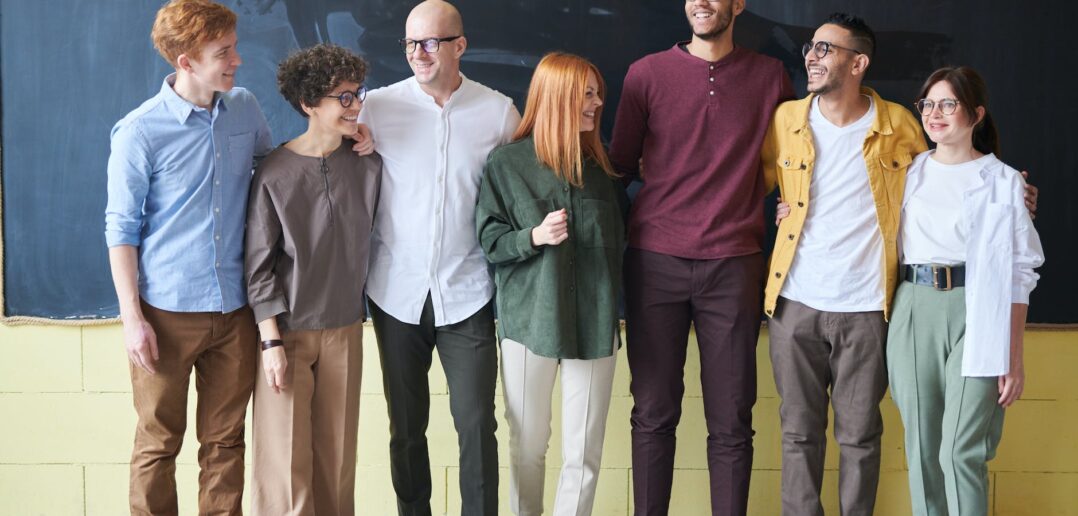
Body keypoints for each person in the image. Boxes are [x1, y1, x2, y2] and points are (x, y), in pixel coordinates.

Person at [607, 0, 792, 513]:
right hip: (654, 261)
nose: (701, 3)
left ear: (739, 5)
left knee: (732, 419)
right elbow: (619, 166)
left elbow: (799, 160)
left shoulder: (771, 76)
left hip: (735, 262)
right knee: (652, 413)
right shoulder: (646, 75)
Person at [104, 0, 273, 513]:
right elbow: (121, 230)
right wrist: (133, 319)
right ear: (186, 62)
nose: (236, 60)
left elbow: (273, 178)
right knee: (159, 443)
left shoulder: (245, 107)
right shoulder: (139, 131)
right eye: (223, 52)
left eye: (234, 47)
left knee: (225, 444)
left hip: (236, 309)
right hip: (166, 315)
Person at [760, 13, 928, 515]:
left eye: (826, 49)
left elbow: (942, 185)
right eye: (811, 47)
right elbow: (750, 186)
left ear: (858, 63)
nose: (811, 55)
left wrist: (1008, 192)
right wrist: (777, 208)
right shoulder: (786, 119)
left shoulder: (898, 123)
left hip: (867, 306)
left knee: (859, 437)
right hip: (795, 303)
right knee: (797, 434)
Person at [356, 1, 521, 514]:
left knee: (476, 422)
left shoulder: (498, 112)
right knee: (406, 427)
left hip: (467, 291)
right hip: (394, 292)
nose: (418, 54)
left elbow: (527, 186)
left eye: (429, 42)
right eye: (410, 43)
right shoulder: (376, 107)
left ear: (459, 46)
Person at [887, 66, 1043, 516]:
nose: (935, 114)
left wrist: (1014, 356)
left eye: (948, 104)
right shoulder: (906, 172)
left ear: (976, 114)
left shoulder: (1004, 181)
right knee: (921, 448)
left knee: (959, 451)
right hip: (913, 307)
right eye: (928, 104)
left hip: (980, 310)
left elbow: (1020, 272)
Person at [477, 52, 627, 516]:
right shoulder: (507, 164)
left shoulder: (601, 171)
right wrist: (534, 236)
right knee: (527, 444)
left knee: (584, 451)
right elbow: (490, 240)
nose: (598, 103)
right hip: (529, 324)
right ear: (557, 96)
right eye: (587, 93)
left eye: (597, 93)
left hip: (595, 326)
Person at [244, 43, 381, 516]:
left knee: (338, 464)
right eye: (343, 97)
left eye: (357, 94)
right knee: (285, 466)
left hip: (346, 328)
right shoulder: (274, 174)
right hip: (288, 334)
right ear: (308, 104)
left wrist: (364, 136)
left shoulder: (368, 162)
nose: (356, 105)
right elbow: (258, 268)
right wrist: (270, 343)